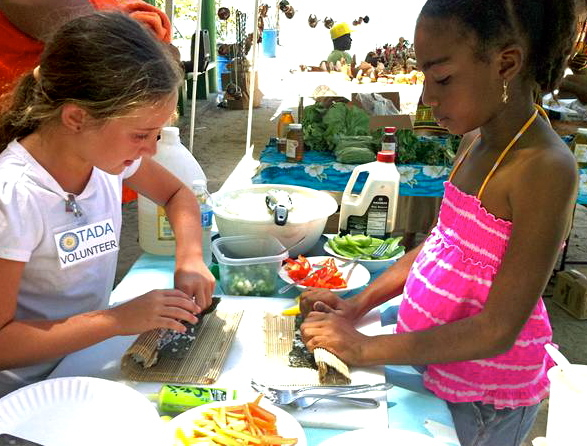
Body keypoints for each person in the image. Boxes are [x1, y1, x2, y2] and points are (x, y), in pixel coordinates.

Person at [300, 1, 579, 444]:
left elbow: (497, 330)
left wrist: (364, 347)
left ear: (506, 64)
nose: (427, 98)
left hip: (484, 397)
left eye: (443, 77)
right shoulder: (474, 141)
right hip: (435, 367)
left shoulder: (545, 168)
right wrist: (357, 305)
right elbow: (441, 245)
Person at [0, 12, 215, 397]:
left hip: (85, 362)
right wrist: (115, 319)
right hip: (27, 394)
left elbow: (178, 195)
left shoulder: (109, 159)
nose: (151, 150)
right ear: (77, 118)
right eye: (141, 135)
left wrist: (190, 258)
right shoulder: (14, 195)